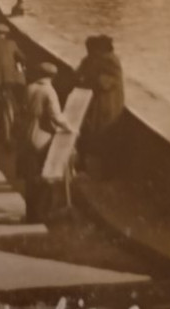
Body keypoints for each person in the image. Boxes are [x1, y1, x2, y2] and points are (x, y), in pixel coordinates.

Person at [18, 62, 71, 223]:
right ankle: (41, 216)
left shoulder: (30, 88)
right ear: (53, 77)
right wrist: (70, 127)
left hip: (27, 136)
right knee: (43, 178)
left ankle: (30, 215)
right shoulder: (49, 91)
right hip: (42, 139)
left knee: (29, 179)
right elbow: (55, 116)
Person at [74, 35, 125, 176]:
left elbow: (105, 83)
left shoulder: (111, 61)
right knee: (86, 133)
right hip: (95, 106)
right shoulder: (92, 59)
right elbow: (78, 73)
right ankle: (84, 164)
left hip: (108, 108)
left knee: (106, 139)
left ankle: (107, 171)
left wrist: (89, 77)